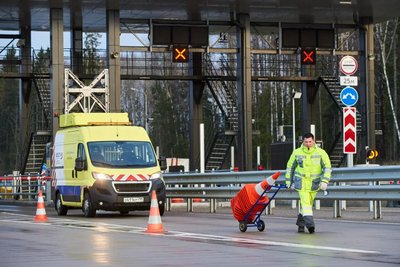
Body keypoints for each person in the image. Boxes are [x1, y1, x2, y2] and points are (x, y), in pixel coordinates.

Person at [285, 132, 332, 234]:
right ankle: (310, 225)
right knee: (306, 204)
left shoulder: (321, 153)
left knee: (308, 204)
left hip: (314, 184)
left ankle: (300, 224)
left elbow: (327, 167)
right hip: (301, 183)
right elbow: (290, 167)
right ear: (303, 142)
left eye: (310, 141)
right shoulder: (297, 152)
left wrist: (325, 181)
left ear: (314, 141)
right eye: (306, 142)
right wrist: (288, 181)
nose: (308, 144)